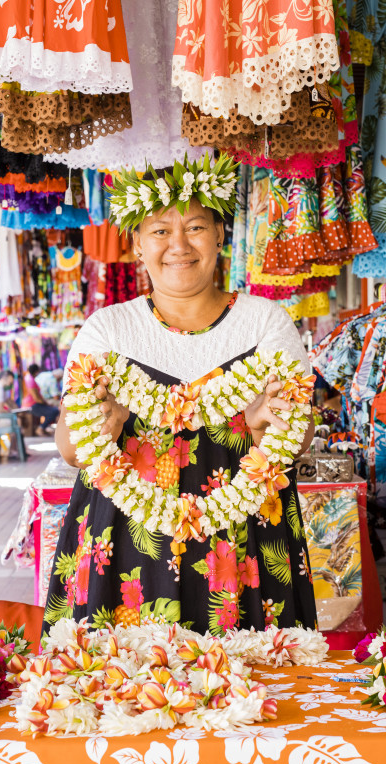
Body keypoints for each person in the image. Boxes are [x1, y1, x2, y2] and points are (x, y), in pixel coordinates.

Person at [47, 153, 317, 633]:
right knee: (124, 694)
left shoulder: (265, 322)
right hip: (127, 538)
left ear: (218, 236)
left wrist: (260, 427)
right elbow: (71, 449)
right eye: (160, 231)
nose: (179, 245)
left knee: (255, 691)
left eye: (194, 227)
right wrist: (100, 425)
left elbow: (295, 439)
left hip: (245, 535)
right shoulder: (107, 329)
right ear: (136, 245)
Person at [21, 364, 60, 434]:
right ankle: (41, 428)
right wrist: (46, 403)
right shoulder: (30, 380)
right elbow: (37, 398)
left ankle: (42, 428)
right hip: (31, 405)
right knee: (54, 411)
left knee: (53, 410)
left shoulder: (29, 378)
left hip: (32, 404)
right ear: (36, 372)